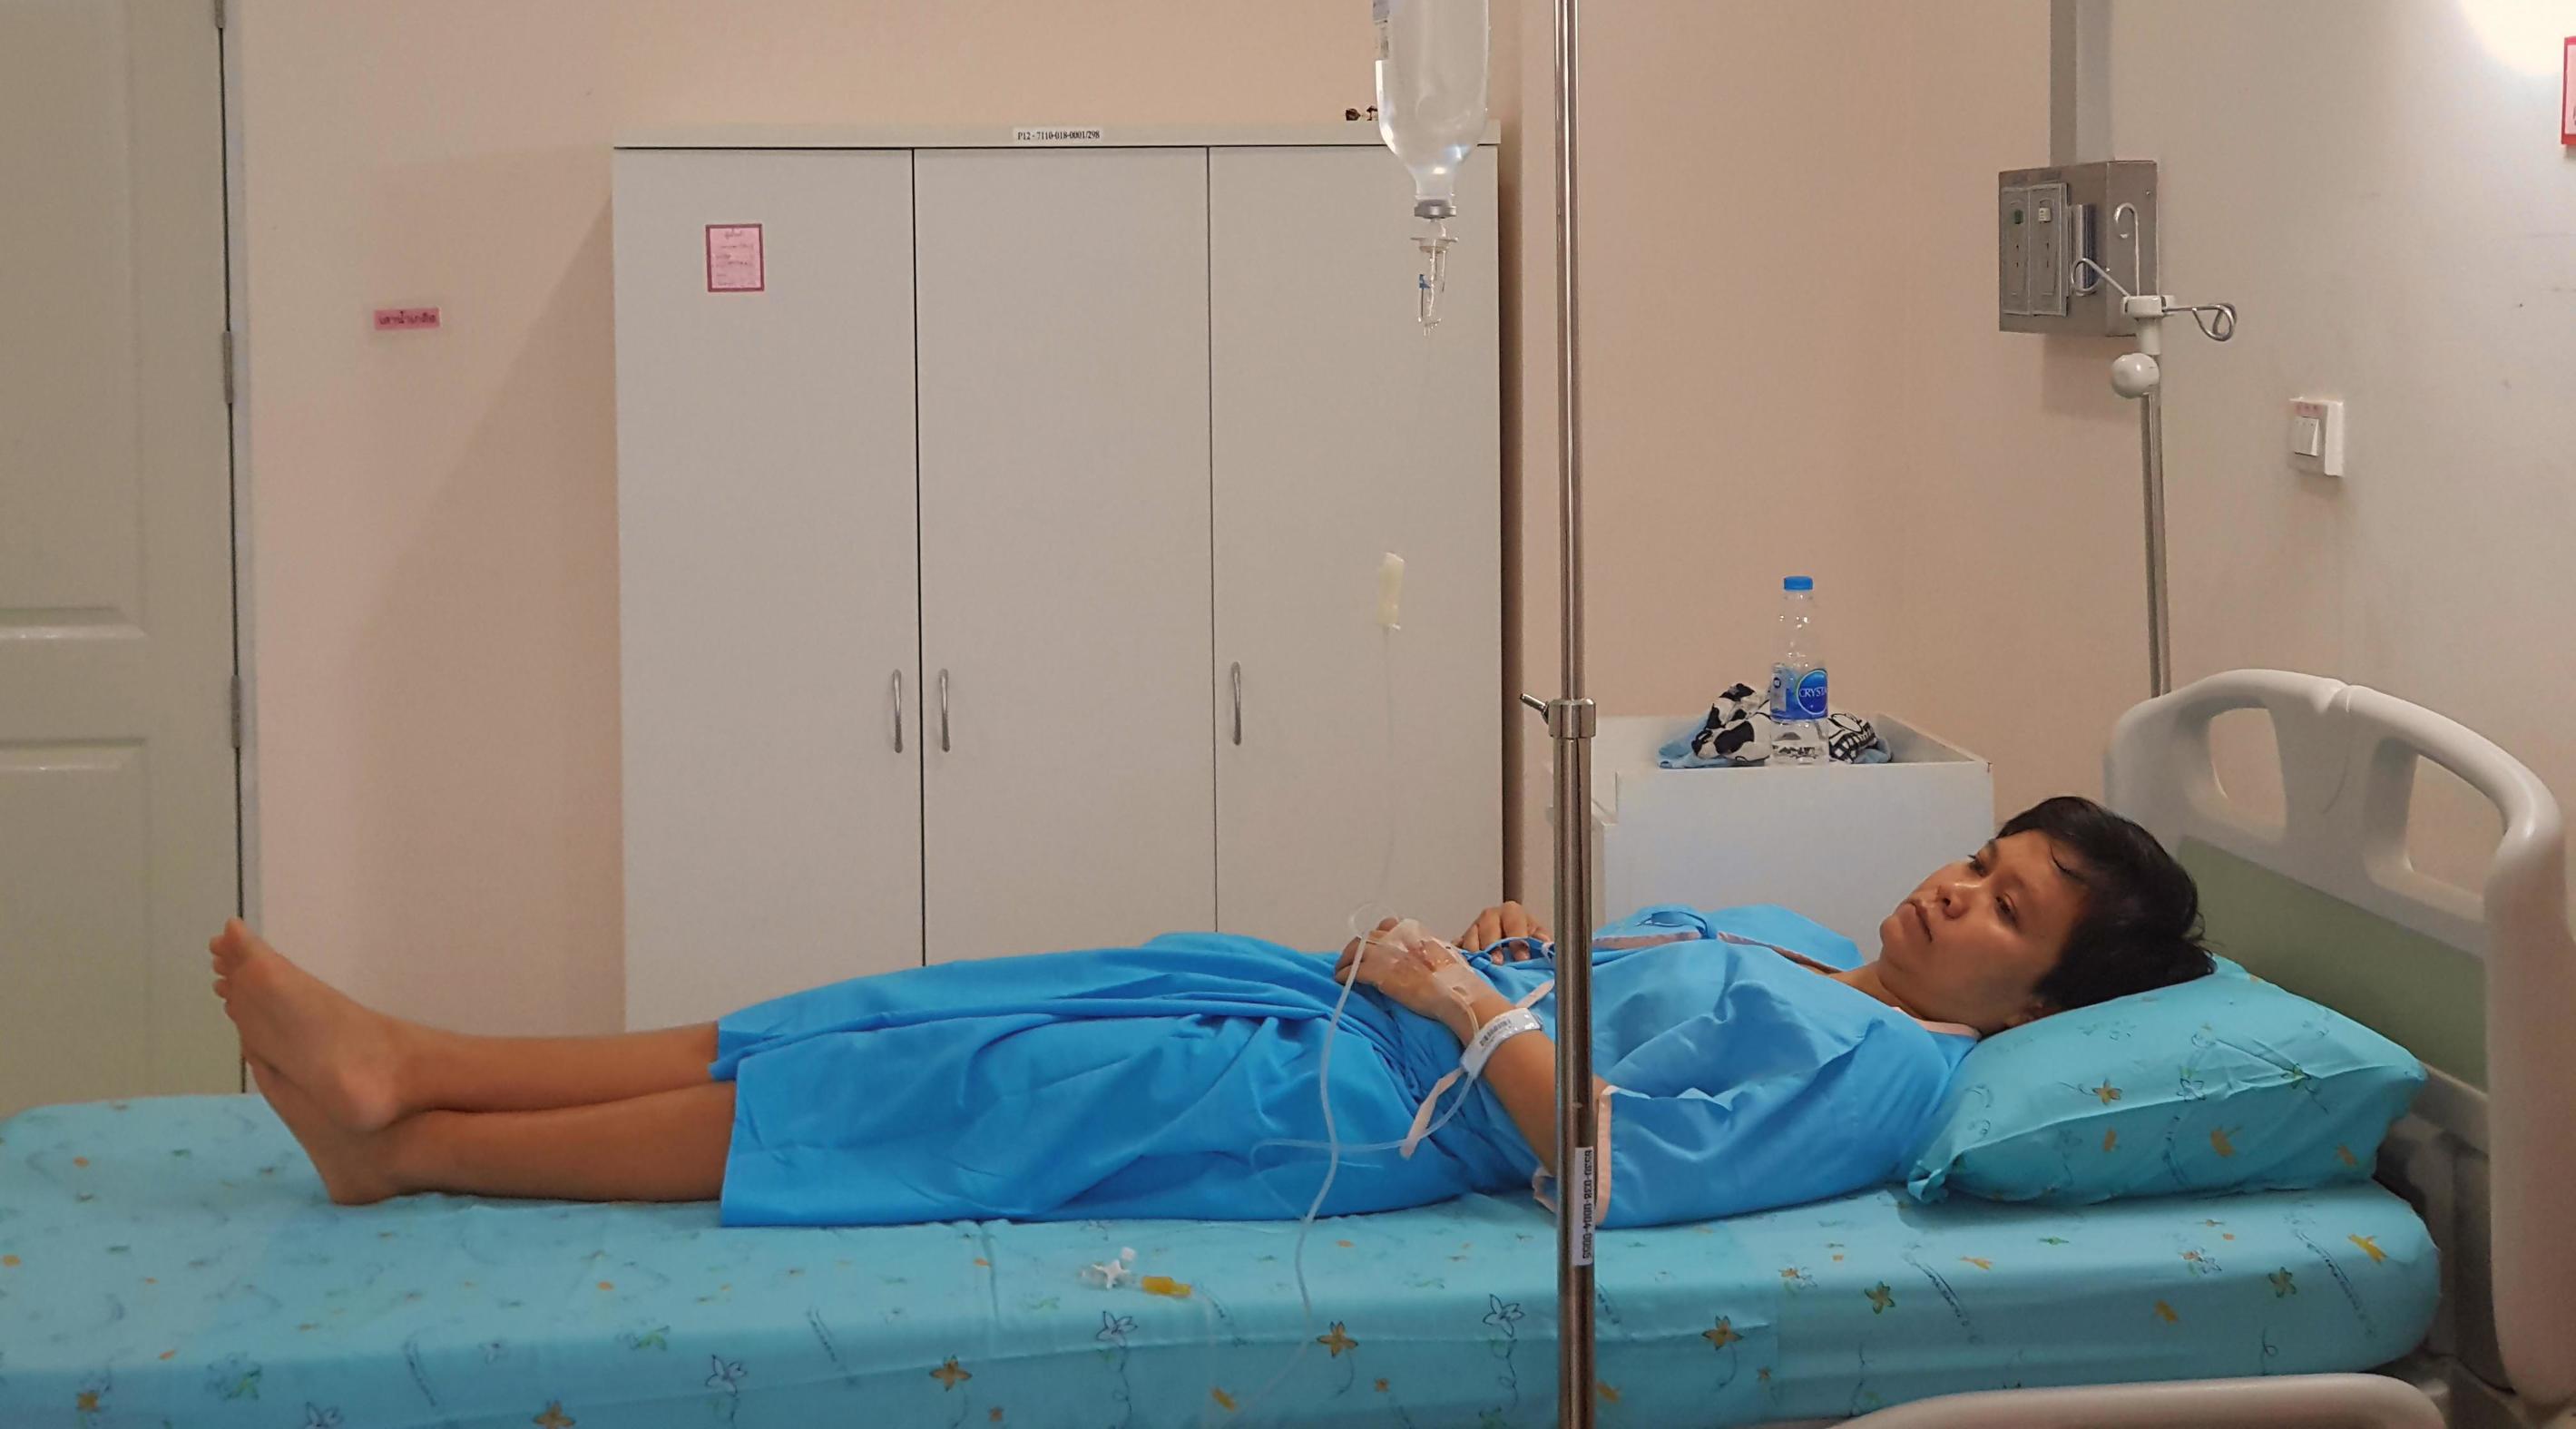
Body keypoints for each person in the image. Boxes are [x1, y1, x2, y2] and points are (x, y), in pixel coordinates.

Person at [213, 797, 2210, 1231]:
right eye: (1979, 854)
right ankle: (411, 1063)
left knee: (947, 1091)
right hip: (1330, 1000)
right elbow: (1607, 978)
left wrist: (1458, 994)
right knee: (896, 1002)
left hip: (1339, 1106)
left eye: (2003, 906)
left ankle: (419, 1132)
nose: (1956, 887)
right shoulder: (1797, 932)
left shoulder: (1884, 1073)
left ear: (2044, 990)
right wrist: (1518, 936)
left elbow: (1609, 1162)